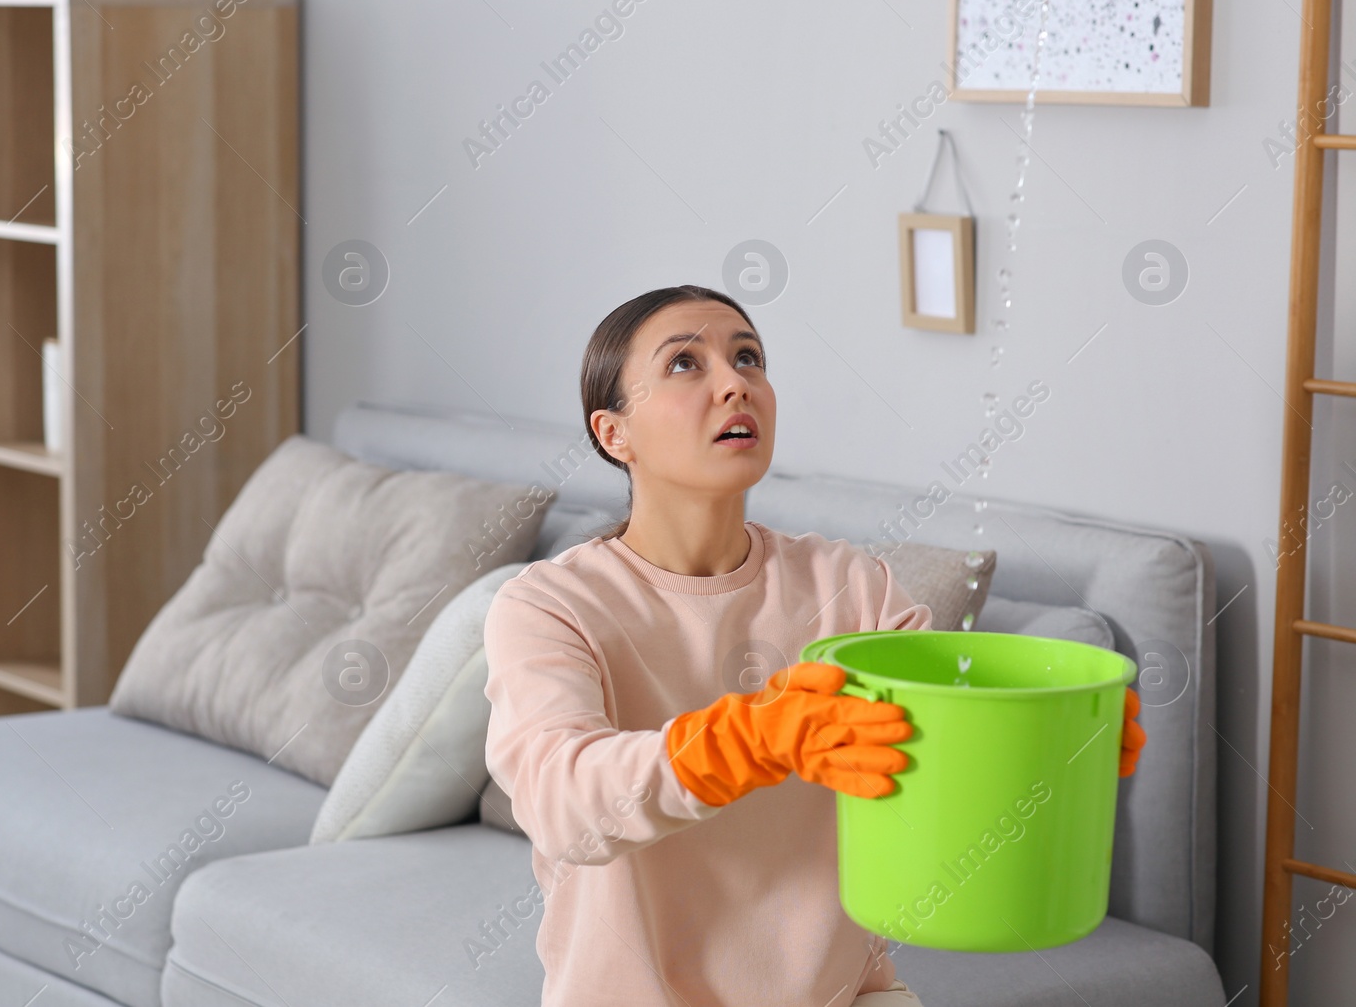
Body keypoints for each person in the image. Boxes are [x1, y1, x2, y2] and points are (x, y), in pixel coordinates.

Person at [482, 284, 1146, 1007]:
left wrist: (1051, 742)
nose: (735, 382)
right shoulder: (550, 605)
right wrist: (747, 740)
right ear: (615, 434)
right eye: (684, 364)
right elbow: (563, 803)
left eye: (748, 357)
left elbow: (946, 756)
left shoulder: (848, 585)